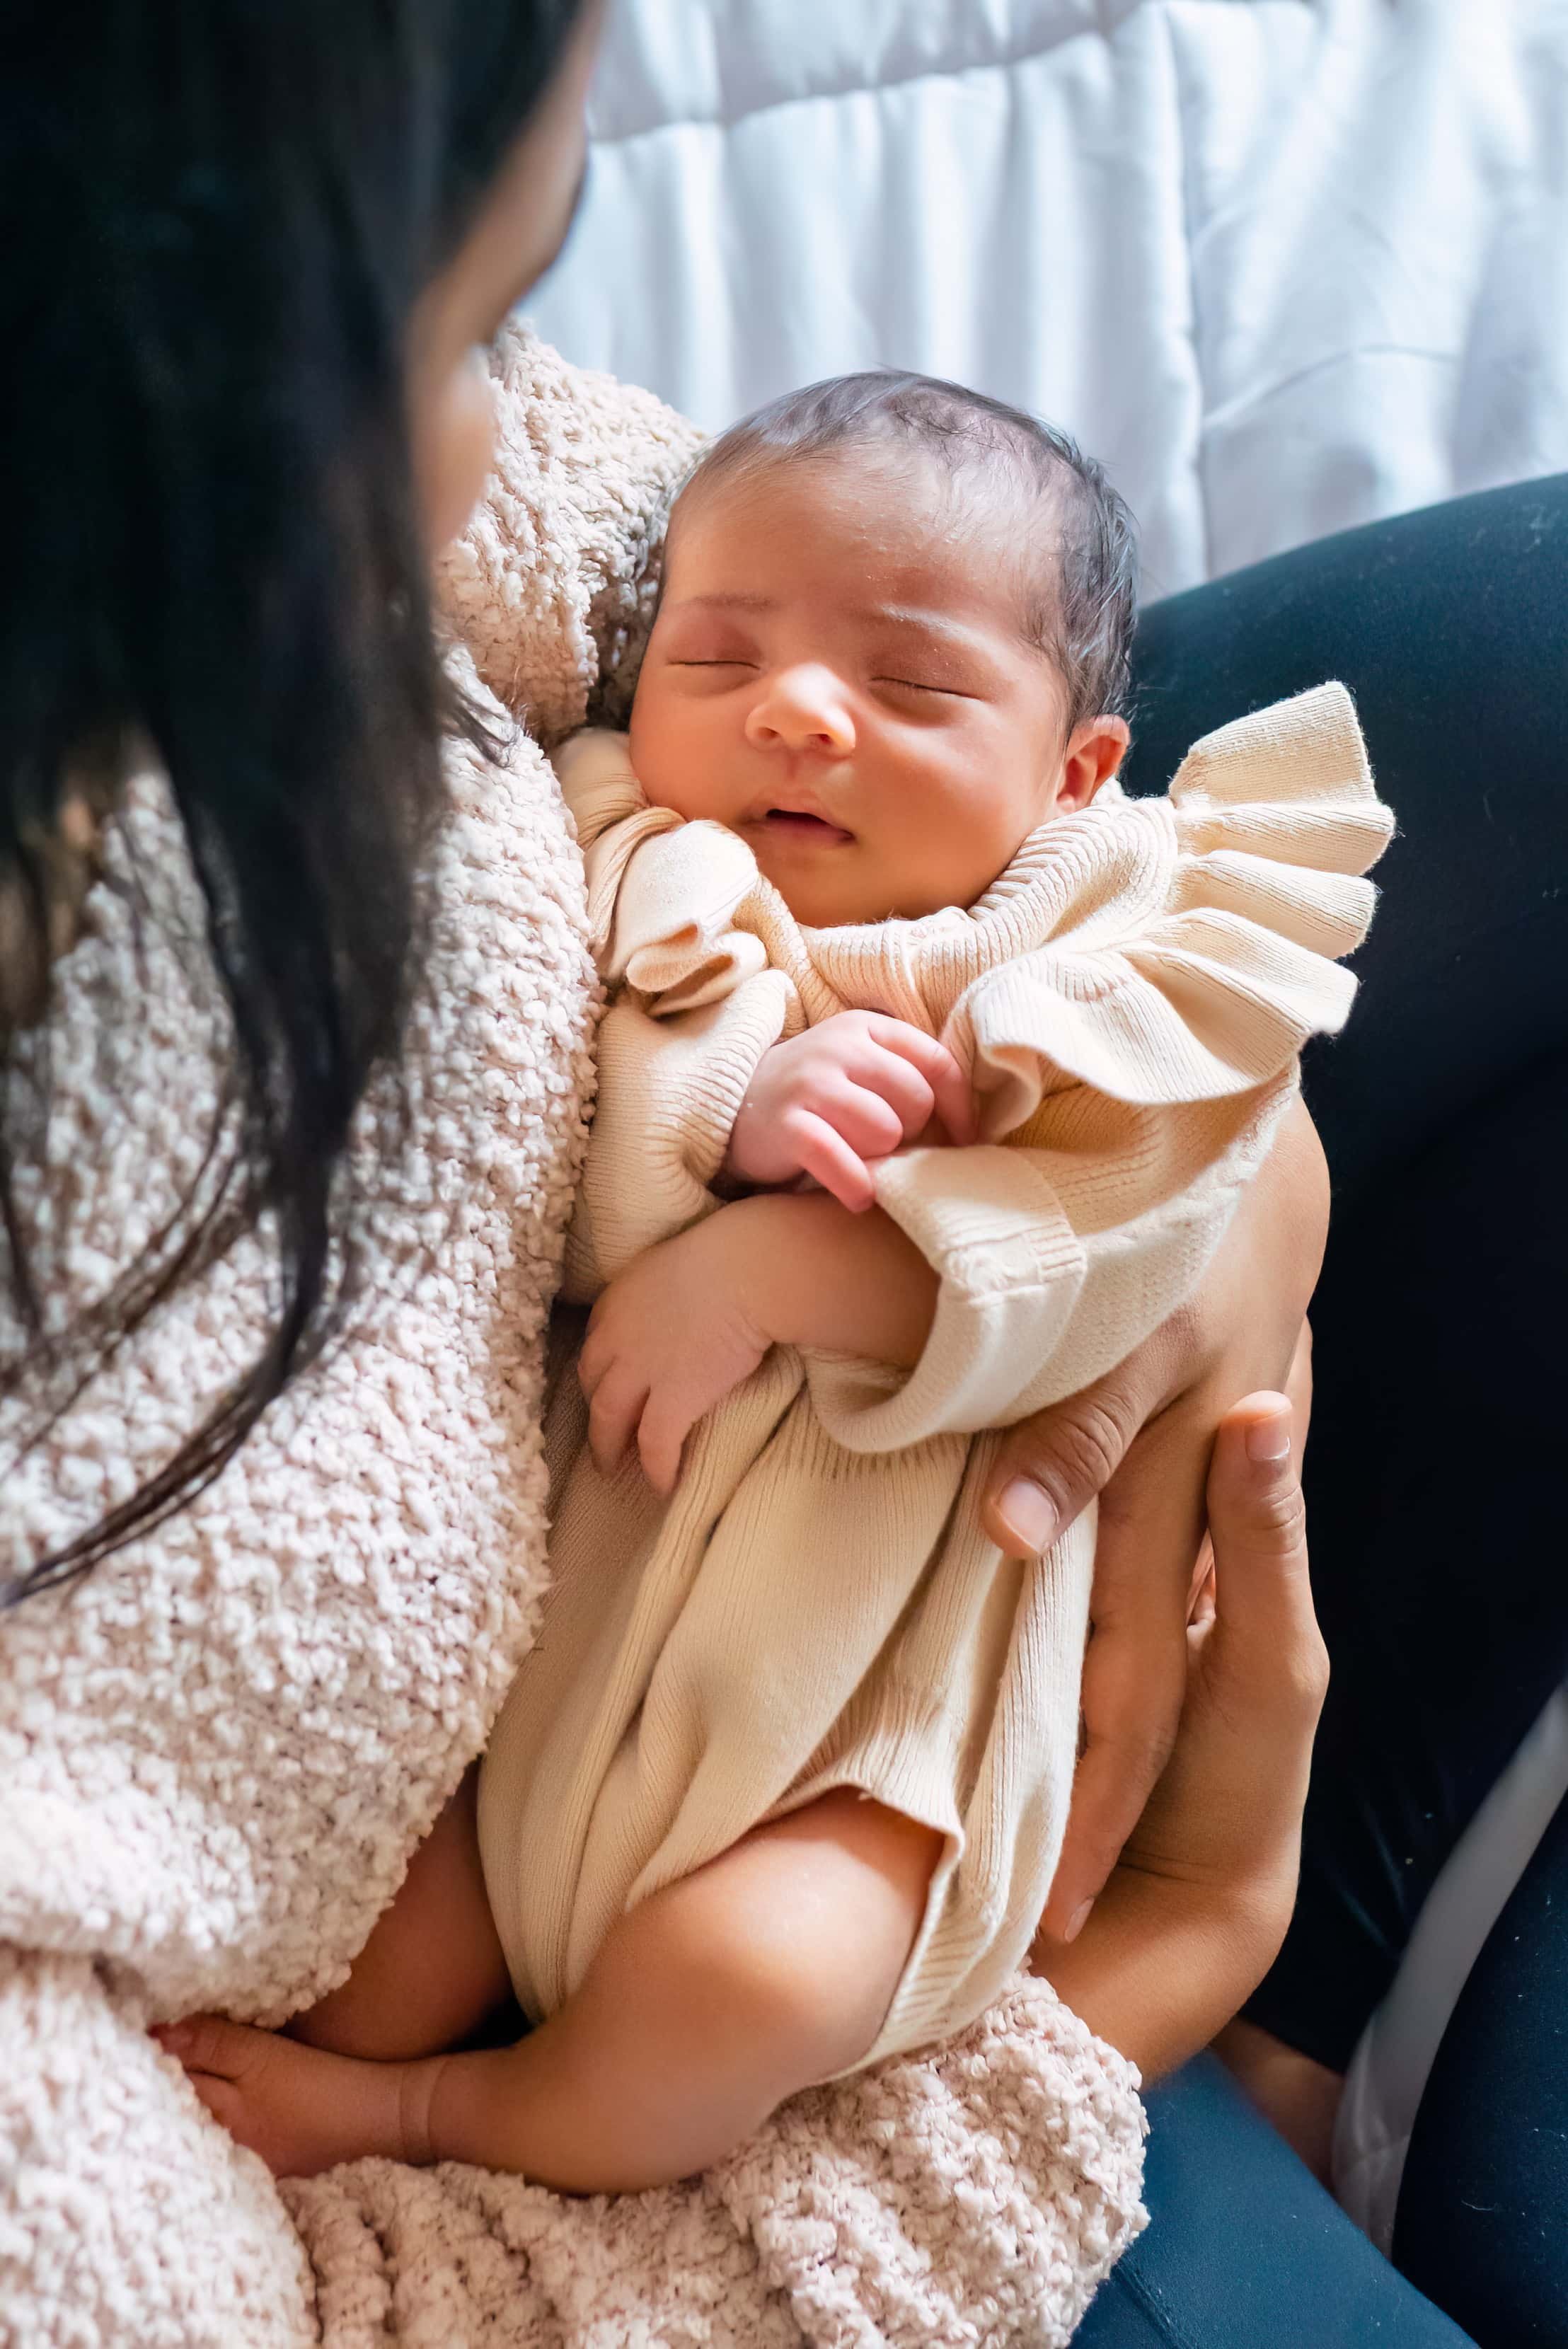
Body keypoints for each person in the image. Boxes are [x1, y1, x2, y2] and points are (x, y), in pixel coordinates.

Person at [0, 0, 1538, 2336]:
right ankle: (1297, 2007)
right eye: (461, 330)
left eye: (517, 301)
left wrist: (1222, 1177)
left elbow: (734, 537)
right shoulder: (652, 850)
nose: (484, 457)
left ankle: (1316, 1996)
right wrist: (1176, 1949)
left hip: (920, 1611)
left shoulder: (924, 816)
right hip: (804, 2041)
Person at [153, 374, 1388, 2188]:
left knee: (737, 1987)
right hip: (565, 1683)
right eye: (717, 661)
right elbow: (518, 1159)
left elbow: (1136, 1231)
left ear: (1075, 769)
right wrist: (724, 1115)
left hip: (870, 1753)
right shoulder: (631, 860)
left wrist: (790, 1265)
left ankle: (445, 2118)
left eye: (909, 686)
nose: (799, 715)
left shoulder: (1117, 932)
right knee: (383, 1945)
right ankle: (368, 2056)